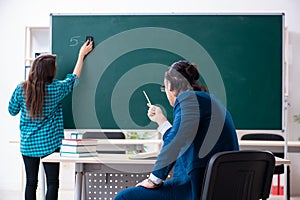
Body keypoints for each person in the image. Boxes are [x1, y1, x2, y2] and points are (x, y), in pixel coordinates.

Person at [114, 60, 239, 200]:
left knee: (124, 197)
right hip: (221, 188)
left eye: (164, 88)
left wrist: (154, 179)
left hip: (196, 188)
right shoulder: (206, 101)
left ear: (171, 86)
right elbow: (180, 138)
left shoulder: (188, 99)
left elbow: (176, 140)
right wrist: (161, 121)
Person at [8, 41, 93, 200]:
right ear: (49, 72)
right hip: (50, 144)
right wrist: (81, 55)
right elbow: (73, 79)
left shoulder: (22, 89)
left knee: (31, 183)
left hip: (28, 144)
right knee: (53, 182)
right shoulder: (56, 88)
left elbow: (12, 111)